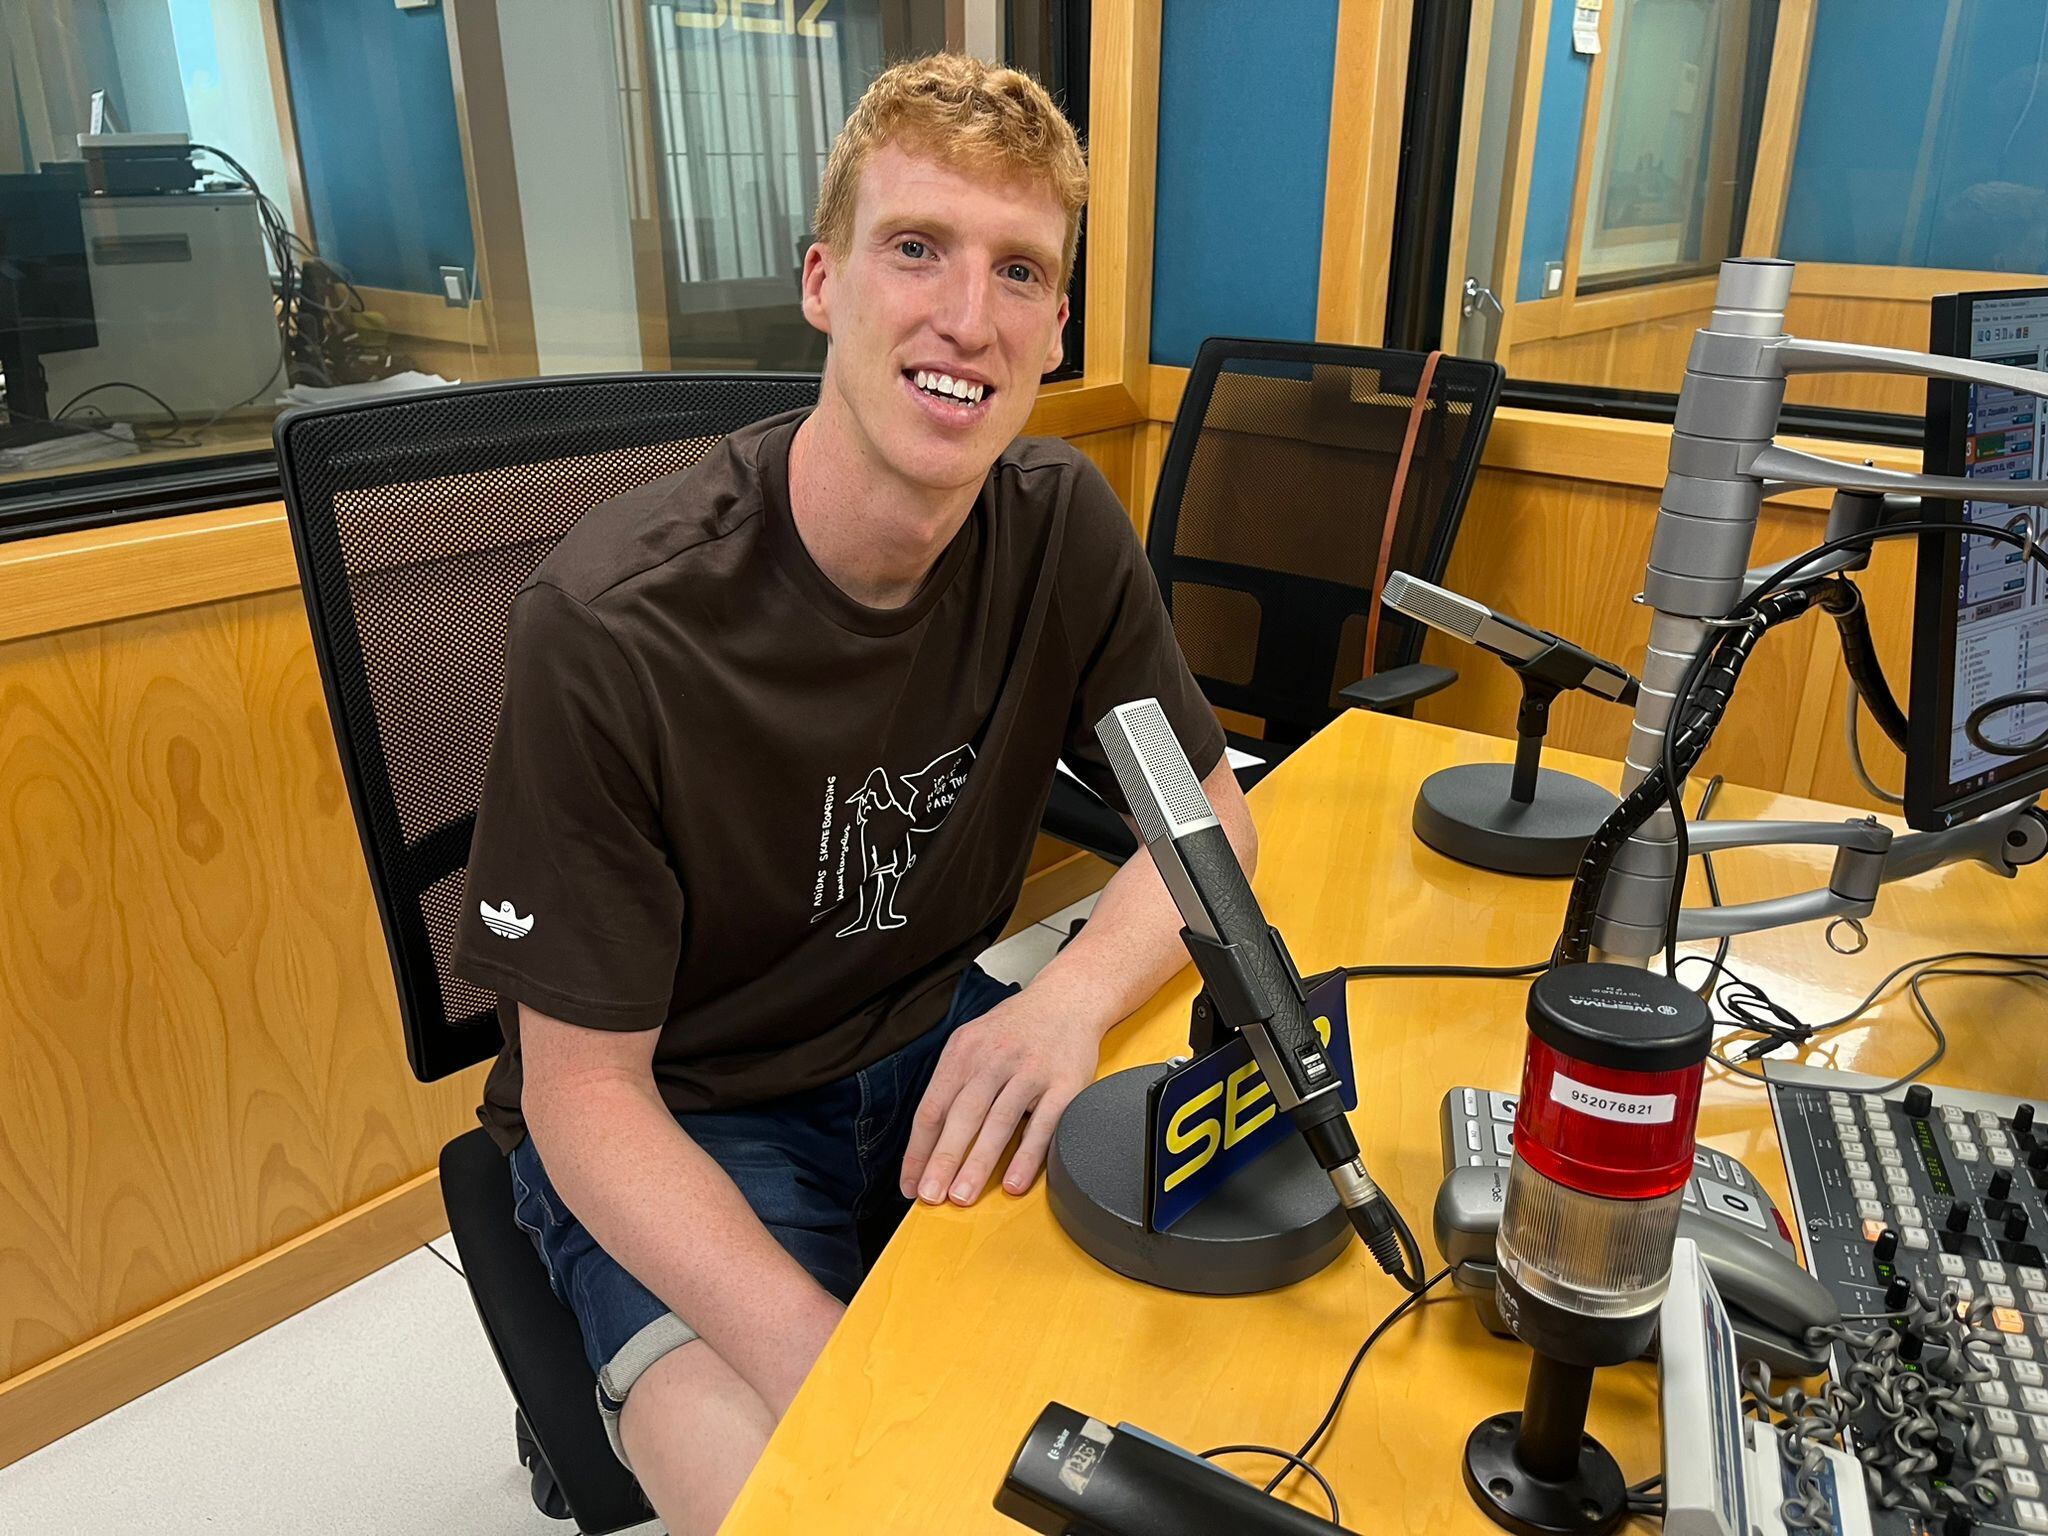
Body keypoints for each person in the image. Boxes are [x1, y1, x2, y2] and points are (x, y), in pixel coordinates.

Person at [451, 52, 1256, 1536]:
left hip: (924, 1051)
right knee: (815, 1497)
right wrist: (834, 1364)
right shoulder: (614, 623)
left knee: (1192, 1384)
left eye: (1020, 270)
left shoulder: (1060, 524)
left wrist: (1063, 1002)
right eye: (917, 248)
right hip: (681, 1122)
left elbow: (1207, 826)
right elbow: (581, 1095)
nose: (969, 316)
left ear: (1058, 326)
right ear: (823, 281)